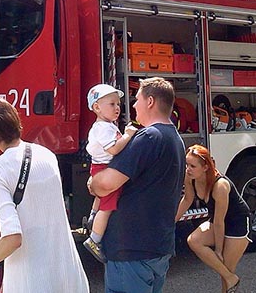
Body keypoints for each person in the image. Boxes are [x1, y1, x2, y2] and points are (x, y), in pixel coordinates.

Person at [0, 99, 90, 293]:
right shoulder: (46, 154)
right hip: (68, 274)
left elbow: (13, 238)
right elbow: (39, 218)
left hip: (31, 278)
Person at [89, 77, 185, 293]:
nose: (132, 105)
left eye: (137, 99)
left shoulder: (148, 137)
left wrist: (92, 183)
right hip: (158, 246)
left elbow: (106, 184)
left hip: (132, 250)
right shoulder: (174, 137)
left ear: (150, 101)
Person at [175, 144, 250, 293]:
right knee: (194, 241)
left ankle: (229, 279)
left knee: (226, 270)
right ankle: (231, 278)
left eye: (192, 166)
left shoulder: (220, 186)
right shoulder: (190, 177)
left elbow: (219, 222)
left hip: (237, 223)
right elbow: (187, 199)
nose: (188, 169)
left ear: (205, 167)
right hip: (217, 220)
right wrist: (172, 221)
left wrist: (218, 250)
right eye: (186, 165)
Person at [83, 83, 138, 263]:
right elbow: (114, 149)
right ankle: (95, 239)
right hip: (105, 169)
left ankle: (92, 216)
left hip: (100, 167)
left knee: (101, 199)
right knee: (107, 208)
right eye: (112, 104)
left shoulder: (105, 126)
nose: (117, 108)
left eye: (118, 104)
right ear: (96, 107)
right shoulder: (103, 128)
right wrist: (128, 135)